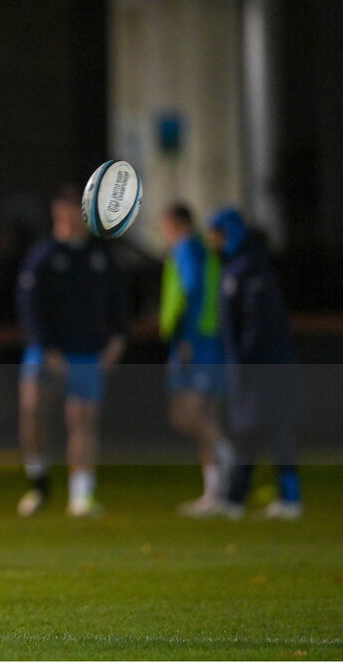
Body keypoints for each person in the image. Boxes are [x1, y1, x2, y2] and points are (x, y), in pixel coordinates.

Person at [15, 184, 129, 518]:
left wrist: (117, 342)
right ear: (57, 212)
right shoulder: (43, 255)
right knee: (33, 412)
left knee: (82, 420)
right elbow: (28, 306)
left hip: (87, 351)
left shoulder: (101, 256)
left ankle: (81, 495)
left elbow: (119, 302)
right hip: (46, 351)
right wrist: (45, 347)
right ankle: (39, 484)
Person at [206, 208, 302, 520]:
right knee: (250, 430)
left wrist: (244, 362)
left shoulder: (249, 269)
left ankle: (288, 498)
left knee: (271, 429)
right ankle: (237, 499)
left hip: (263, 365)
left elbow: (257, 323)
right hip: (254, 363)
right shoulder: (240, 266)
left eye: (217, 234)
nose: (213, 242)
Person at [158, 203, 234, 517]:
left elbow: (192, 292)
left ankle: (227, 456)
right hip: (212, 342)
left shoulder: (187, 248)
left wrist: (185, 340)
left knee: (186, 414)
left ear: (174, 223)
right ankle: (216, 493)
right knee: (207, 416)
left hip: (197, 343)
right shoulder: (205, 250)